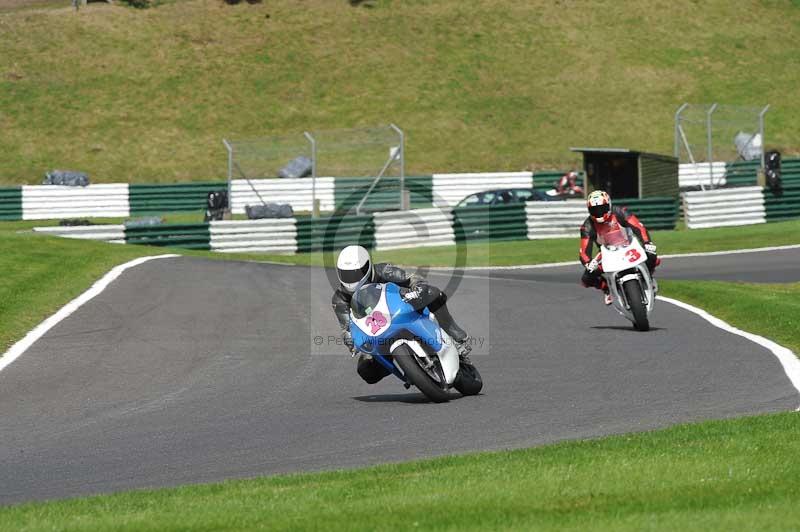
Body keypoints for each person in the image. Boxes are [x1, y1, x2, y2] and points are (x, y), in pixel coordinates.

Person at [332, 245, 472, 384]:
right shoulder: (340, 299)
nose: (351, 279)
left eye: (355, 273)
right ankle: (409, 368)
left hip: (404, 309)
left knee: (432, 293)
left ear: (367, 267)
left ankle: (456, 337)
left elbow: (411, 278)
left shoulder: (383, 270)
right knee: (366, 370)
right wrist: (351, 340)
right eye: (346, 275)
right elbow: (347, 327)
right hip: (377, 331)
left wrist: (418, 287)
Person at [579, 190, 659, 305]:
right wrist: (589, 263)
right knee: (587, 278)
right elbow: (584, 252)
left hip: (629, 244)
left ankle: (649, 278)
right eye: (595, 210)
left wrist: (647, 242)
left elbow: (638, 227)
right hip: (606, 251)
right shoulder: (587, 226)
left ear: (609, 205)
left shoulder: (621, 212)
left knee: (652, 255)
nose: (599, 213)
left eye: (602, 208)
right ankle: (607, 289)